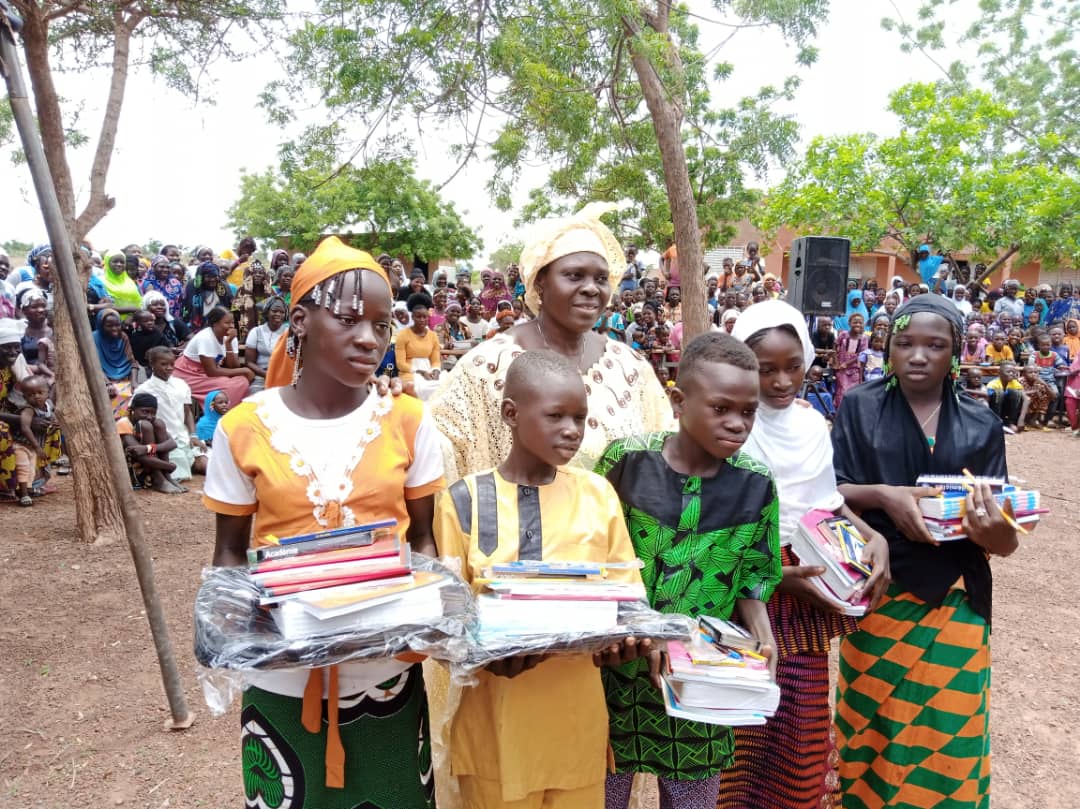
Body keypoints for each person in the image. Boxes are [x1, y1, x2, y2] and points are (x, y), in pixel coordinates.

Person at [425, 203, 672, 809]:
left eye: (600, 277)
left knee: (587, 764)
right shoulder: (486, 367)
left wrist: (631, 613)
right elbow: (441, 465)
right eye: (571, 275)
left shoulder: (630, 367)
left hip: (606, 593)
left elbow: (663, 464)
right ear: (536, 285)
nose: (590, 288)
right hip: (504, 599)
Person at [204, 235, 445, 808]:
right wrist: (232, 638)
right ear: (300, 320)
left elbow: (425, 539)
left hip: (384, 671)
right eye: (348, 319)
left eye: (382, 325)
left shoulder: (408, 421)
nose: (369, 338)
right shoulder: (243, 428)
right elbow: (230, 555)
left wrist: (426, 626)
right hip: (283, 676)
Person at [433, 350, 649, 809]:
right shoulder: (463, 500)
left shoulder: (597, 494)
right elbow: (449, 621)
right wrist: (483, 655)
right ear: (511, 413)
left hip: (576, 731)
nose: (572, 430)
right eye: (556, 416)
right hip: (495, 731)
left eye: (580, 418)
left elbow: (628, 596)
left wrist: (626, 641)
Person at [831, 293, 1018, 809]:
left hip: (957, 598)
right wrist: (886, 498)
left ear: (955, 351)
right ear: (887, 348)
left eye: (934, 345)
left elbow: (1005, 540)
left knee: (947, 732)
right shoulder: (860, 406)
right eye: (904, 343)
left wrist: (988, 528)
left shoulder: (981, 424)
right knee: (873, 729)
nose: (918, 355)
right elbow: (830, 492)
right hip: (878, 593)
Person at [597, 333, 782, 809]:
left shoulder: (756, 485)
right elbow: (598, 561)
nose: (737, 423)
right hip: (615, 669)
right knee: (601, 791)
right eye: (721, 408)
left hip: (700, 678)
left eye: (748, 411)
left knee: (692, 798)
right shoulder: (626, 462)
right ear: (679, 401)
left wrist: (763, 634)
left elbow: (752, 577)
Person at [716, 303, 889, 809]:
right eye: (764, 368)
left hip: (808, 580)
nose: (780, 380)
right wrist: (772, 576)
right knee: (741, 715)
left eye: (792, 365)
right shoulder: (730, 425)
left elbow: (824, 502)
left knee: (799, 716)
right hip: (745, 583)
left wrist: (869, 534)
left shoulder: (813, 426)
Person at [135, 347, 208, 480]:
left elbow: (187, 412)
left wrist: (193, 435)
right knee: (180, 475)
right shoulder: (144, 390)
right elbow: (137, 418)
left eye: (172, 364)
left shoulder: (181, 384)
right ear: (152, 365)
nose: (169, 368)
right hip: (166, 441)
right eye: (163, 364)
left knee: (207, 466)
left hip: (184, 437)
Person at [171, 307, 252, 405]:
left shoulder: (230, 337)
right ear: (214, 323)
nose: (231, 326)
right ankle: (218, 414)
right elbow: (212, 372)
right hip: (189, 373)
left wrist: (228, 344)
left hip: (208, 373)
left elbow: (233, 366)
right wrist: (244, 370)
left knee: (242, 381)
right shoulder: (205, 338)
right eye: (227, 323)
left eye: (232, 323)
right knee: (229, 387)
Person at [116, 392, 185, 493]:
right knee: (145, 425)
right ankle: (159, 479)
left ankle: (166, 477)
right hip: (135, 469)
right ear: (132, 410)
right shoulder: (123, 423)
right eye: (145, 411)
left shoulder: (153, 421)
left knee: (159, 423)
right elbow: (137, 453)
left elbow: (172, 443)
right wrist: (168, 466)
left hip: (153, 463)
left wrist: (146, 448)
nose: (149, 416)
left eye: (153, 413)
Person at [12, 374, 54, 506]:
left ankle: (28, 490)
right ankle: (23, 495)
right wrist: (37, 447)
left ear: (47, 392)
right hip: (21, 444)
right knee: (23, 468)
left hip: (33, 445)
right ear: (25, 397)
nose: (36, 396)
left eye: (40, 392)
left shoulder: (48, 405)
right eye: (31, 395)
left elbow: (51, 416)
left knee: (31, 469)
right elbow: (25, 428)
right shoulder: (28, 410)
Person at [93, 309, 140, 418]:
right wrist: (107, 383)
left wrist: (134, 383)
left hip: (124, 379)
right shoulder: (93, 339)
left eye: (117, 325)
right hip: (102, 379)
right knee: (113, 397)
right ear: (101, 325)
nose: (115, 329)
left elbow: (132, 362)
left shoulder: (123, 337)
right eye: (109, 326)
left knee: (139, 397)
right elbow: (94, 367)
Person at [395, 294, 442, 400]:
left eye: (424, 317)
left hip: (429, 372)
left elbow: (435, 360)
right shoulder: (403, 334)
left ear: (428, 318)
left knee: (446, 383)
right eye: (418, 316)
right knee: (422, 388)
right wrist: (421, 372)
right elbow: (400, 363)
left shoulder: (433, 335)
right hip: (410, 373)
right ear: (412, 317)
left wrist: (435, 371)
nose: (421, 319)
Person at [244, 296, 289, 393]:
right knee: (256, 397)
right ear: (267, 312)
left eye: (282, 312)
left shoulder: (289, 333)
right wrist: (266, 374)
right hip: (261, 375)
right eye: (274, 311)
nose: (278, 314)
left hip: (282, 375)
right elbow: (249, 362)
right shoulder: (256, 332)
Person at [182, 262, 234, 331]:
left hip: (220, 327)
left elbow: (231, 306)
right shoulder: (193, 286)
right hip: (196, 327)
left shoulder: (223, 286)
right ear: (201, 277)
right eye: (209, 277)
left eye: (215, 276)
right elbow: (186, 308)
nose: (212, 279)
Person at [832, 312, 868, 410]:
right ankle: (839, 414)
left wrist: (847, 364)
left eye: (860, 323)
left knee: (853, 392)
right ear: (849, 323)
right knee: (842, 391)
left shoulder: (864, 338)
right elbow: (835, 346)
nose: (857, 325)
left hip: (854, 369)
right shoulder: (843, 334)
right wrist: (836, 362)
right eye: (855, 322)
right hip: (842, 369)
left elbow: (861, 354)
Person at [232, 259, 273, 343]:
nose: (257, 275)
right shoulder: (242, 290)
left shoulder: (269, 291)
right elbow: (234, 310)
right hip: (245, 330)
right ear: (249, 275)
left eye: (260, 273)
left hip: (265, 330)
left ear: (264, 275)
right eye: (254, 273)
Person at [985, 360, 1025, 430]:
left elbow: (1026, 399)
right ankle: (996, 422)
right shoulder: (993, 384)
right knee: (999, 393)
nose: (1011, 374)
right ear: (999, 373)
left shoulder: (1015, 383)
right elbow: (987, 400)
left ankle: (1011, 422)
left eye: (1013, 372)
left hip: (1007, 410)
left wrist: (1021, 419)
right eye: (1008, 372)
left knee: (1016, 393)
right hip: (995, 411)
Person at [1019, 364, 1054, 431]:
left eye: (1035, 372)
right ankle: (1024, 421)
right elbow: (1018, 393)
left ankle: (1033, 420)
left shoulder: (1039, 381)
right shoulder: (1020, 381)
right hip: (1022, 403)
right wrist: (1033, 391)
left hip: (1034, 404)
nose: (1033, 374)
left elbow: (1053, 397)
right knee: (1026, 398)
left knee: (1045, 395)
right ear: (1024, 374)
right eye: (1030, 372)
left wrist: (1045, 385)